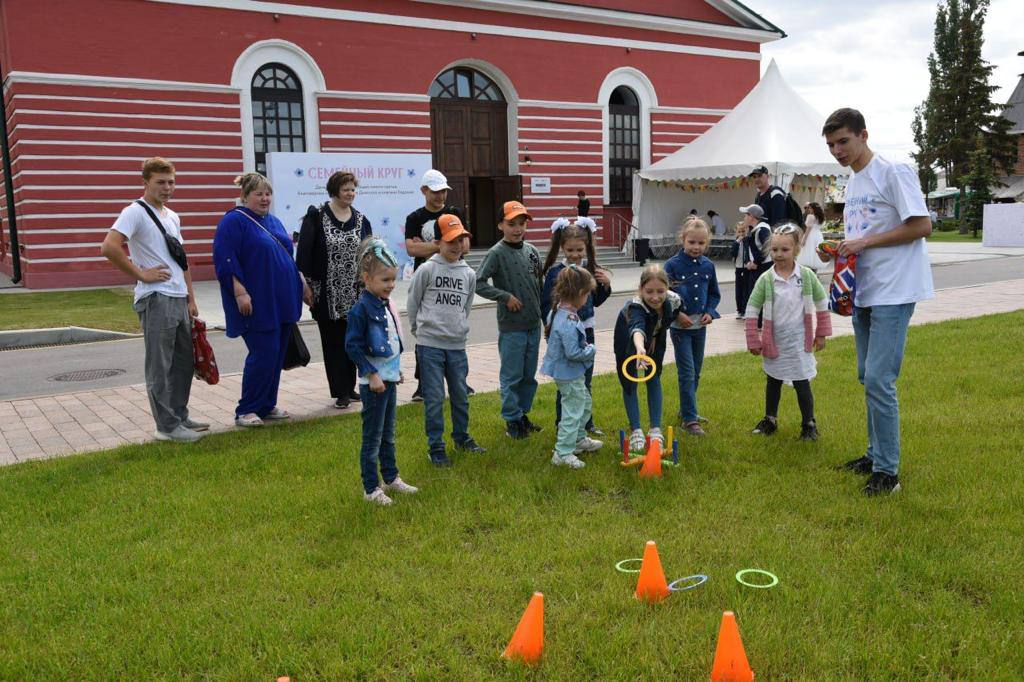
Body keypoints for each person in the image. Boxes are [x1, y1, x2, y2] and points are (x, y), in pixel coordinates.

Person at [820, 107, 933, 496]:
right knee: (866, 377)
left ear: (864, 135)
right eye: (832, 145)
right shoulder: (853, 181)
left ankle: (888, 473)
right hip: (864, 291)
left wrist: (864, 242)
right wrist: (838, 248)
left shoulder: (893, 171)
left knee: (880, 380)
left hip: (895, 290)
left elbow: (922, 225)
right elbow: (863, 234)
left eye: (844, 142)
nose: (838, 150)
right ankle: (873, 454)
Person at [100, 157, 206, 442]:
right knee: (160, 364)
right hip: (156, 298)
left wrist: (190, 298)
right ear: (145, 182)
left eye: (171, 182)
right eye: (160, 182)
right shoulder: (134, 211)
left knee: (183, 362)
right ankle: (166, 427)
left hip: (178, 297)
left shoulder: (172, 216)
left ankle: (179, 416)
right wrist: (141, 274)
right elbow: (109, 247)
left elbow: (181, 261)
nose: (167, 188)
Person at [212, 172, 309, 427]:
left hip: (283, 299)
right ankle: (247, 409)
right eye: (259, 194)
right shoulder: (234, 222)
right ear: (245, 196)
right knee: (263, 352)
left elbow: (287, 255)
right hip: (258, 302)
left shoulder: (273, 221)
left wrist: (301, 282)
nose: (265, 198)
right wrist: (240, 292)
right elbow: (226, 259)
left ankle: (266, 404)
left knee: (276, 354)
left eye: (268, 194)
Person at [406, 214, 486, 467]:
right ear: (438, 242)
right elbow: (413, 301)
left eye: (460, 240)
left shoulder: (469, 274)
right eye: (450, 240)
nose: (456, 245)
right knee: (434, 397)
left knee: (460, 395)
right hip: (430, 345)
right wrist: (417, 330)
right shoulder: (427, 269)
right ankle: (436, 446)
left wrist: (459, 328)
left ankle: (462, 437)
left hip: (456, 346)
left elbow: (466, 305)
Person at [345, 237, 418, 505]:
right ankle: (371, 488)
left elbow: (390, 342)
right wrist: (371, 373)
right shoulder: (361, 310)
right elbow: (352, 347)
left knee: (388, 434)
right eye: (385, 280)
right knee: (372, 437)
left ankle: (391, 477)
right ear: (367, 278)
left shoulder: (385, 305)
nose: (391, 285)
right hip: (373, 384)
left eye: (393, 280)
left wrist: (394, 371)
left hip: (388, 381)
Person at [745, 224, 832, 441]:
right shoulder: (766, 279)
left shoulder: (806, 276)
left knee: (802, 382)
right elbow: (752, 309)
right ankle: (770, 419)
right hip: (774, 341)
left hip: (800, 342)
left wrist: (821, 333)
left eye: (784, 250)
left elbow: (822, 302)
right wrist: (753, 339)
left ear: (796, 250)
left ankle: (809, 424)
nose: (779, 254)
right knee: (773, 379)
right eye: (774, 250)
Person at [296, 170, 372, 409]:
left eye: (352, 189)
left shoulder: (361, 219)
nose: (350, 193)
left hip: (355, 294)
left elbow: (369, 253)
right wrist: (304, 286)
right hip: (325, 293)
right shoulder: (316, 217)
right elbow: (304, 255)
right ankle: (340, 391)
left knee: (353, 340)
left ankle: (350, 387)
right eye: (346, 189)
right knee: (333, 342)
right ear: (334, 190)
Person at [475, 200, 544, 439]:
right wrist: (504, 297)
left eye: (522, 224)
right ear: (500, 225)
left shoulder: (532, 251)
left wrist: (545, 319)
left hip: (533, 325)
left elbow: (540, 286)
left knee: (528, 376)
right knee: (512, 376)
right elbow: (479, 283)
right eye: (511, 224)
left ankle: (522, 414)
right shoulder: (496, 253)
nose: (517, 229)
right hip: (512, 327)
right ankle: (511, 421)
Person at [404, 169, 473, 401]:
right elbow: (411, 249)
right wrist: (442, 245)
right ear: (424, 191)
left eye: (443, 191)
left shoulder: (454, 213)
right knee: (426, 331)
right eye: (435, 191)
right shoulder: (414, 218)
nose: (440, 196)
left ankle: (460, 380)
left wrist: (432, 245)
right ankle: (423, 384)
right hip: (428, 276)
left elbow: (464, 247)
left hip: (454, 275)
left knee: (454, 326)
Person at [540, 217, 611, 435]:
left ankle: (585, 424)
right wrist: (550, 328)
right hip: (564, 333)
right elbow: (546, 304)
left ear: (587, 247)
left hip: (586, 331)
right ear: (562, 247)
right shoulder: (555, 273)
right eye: (570, 249)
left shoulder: (590, 269)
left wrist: (605, 284)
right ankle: (563, 424)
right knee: (568, 381)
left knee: (585, 380)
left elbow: (595, 300)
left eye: (580, 249)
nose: (575, 254)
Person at [613, 265, 682, 453]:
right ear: (641, 289)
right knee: (630, 381)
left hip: (653, 338)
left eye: (661, 291)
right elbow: (637, 327)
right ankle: (636, 430)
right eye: (649, 291)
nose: (655, 297)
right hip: (628, 337)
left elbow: (670, 317)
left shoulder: (674, 301)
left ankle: (655, 429)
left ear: (667, 288)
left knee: (653, 377)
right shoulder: (636, 307)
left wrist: (653, 335)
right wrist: (640, 346)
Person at [541, 265, 602, 469]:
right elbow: (573, 353)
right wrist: (591, 350)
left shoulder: (561, 311)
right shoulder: (567, 319)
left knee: (583, 402)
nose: (587, 299)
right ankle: (563, 452)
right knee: (573, 410)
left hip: (570, 371)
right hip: (568, 372)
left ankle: (578, 439)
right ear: (579, 294)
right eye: (587, 295)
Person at [665, 218, 720, 436]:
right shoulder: (672, 265)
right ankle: (689, 419)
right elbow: (664, 295)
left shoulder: (708, 266)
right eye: (692, 242)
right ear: (683, 240)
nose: (696, 247)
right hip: (680, 329)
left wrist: (709, 312)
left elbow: (714, 293)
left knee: (696, 372)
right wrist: (678, 314)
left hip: (700, 327)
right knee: (686, 372)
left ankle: (687, 409)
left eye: (701, 243)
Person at [730, 220, 761, 320]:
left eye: (743, 231)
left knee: (746, 290)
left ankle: (745, 310)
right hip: (739, 268)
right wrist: (737, 242)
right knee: (738, 290)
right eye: (739, 232)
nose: (741, 234)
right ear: (736, 232)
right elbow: (732, 253)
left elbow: (751, 252)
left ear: (747, 231)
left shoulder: (748, 240)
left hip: (748, 268)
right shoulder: (736, 242)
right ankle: (739, 310)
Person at [797, 202, 826, 272]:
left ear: (813, 208)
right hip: (818, 235)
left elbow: (808, 229)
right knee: (816, 253)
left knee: (808, 252)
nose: (809, 209)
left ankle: (809, 272)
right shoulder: (821, 217)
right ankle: (814, 272)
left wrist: (804, 239)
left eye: (810, 208)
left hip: (811, 235)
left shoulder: (811, 216)